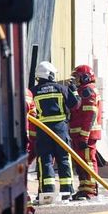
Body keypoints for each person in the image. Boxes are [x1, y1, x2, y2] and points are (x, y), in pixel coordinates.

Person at [30, 60, 79, 204]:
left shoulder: (32, 92)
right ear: (50, 75)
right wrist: (74, 90)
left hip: (43, 131)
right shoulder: (61, 88)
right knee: (64, 159)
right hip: (60, 130)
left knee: (45, 160)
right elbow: (75, 105)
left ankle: (47, 192)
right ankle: (67, 191)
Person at [67, 64, 103, 200]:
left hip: (85, 135)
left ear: (86, 77)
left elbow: (90, 114)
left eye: (77, 77)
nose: (75, 80)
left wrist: (83, 136)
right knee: (82, 162)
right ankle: (84, 188)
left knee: (88, 161)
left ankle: (90, 189)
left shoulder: (88, 90)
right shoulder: (83, 90)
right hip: (79, 135)